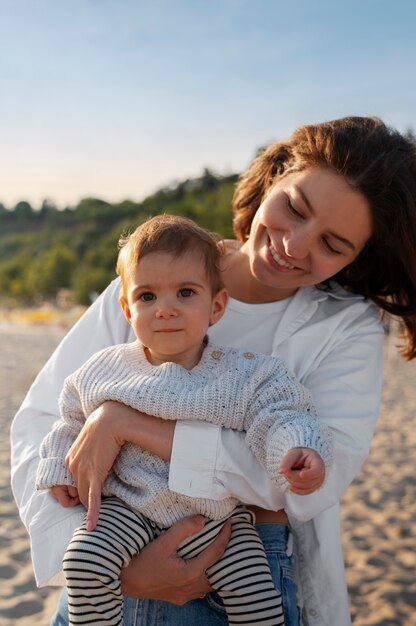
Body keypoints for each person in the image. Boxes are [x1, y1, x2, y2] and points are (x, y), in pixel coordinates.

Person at [11, 116, 416, 626]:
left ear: (359, 256)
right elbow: (43, 418)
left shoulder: (347, 326)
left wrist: (127, 424)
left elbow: (311, 479)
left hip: (242, 573)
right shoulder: (158, 270)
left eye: (332, 245)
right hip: (112, 554)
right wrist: (111, 566)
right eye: (293, 208)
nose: (294, 245)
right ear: (272, 179)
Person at [36, 215, 331, 626]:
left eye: (185, 292)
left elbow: (279, 412)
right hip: (129, 507)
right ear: (126, 308)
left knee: (258, 597)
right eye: (147, 297)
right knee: (83, 562)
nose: (166, 309)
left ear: (216, 306)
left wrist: (296, 447)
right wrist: (57, 469)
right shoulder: (106, 369)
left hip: (219, 518)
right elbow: (69, 420)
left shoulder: (242, 374)